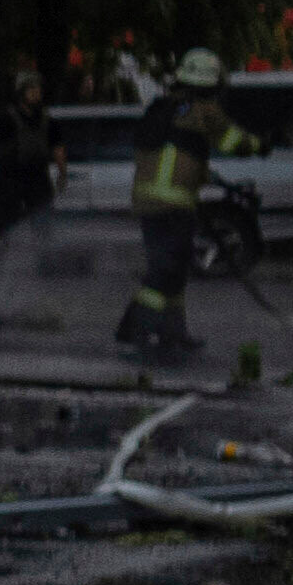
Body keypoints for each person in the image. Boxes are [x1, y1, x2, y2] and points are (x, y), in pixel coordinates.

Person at [120, 48, 237, 362]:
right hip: (169, 205)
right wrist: (262, 144)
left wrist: (215, 181)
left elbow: (182, 157)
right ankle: (137, 329)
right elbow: (229, 141)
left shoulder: (166, 109)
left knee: (174, 272)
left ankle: (173, 332)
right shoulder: (196, 111)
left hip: (157, 204)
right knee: (165, 271)